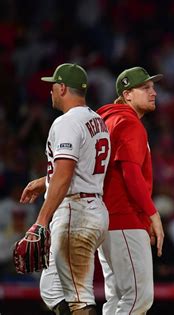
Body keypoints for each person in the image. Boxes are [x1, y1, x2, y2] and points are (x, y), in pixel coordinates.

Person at [20, 63, 111, 314]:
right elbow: (75, 169)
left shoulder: (66, 122)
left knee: (79, 299)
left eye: (52, 86)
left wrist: (40, 221)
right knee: (51, 289)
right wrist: (43, 181)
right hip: (91, 206)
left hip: (76, 212)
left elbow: (64, 176)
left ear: (62, 88)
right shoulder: (97, 120)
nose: (50, 92)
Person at [96, 66, 165, 314]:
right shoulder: (129, 122)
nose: (153, 92)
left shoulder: (105, 121)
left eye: (153, 87)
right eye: (145, 88)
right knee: (139, 297)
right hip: (124, 216)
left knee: (117, 297)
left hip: (104, 219)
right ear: (127, 94)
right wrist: (152, 214)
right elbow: (131, 173)